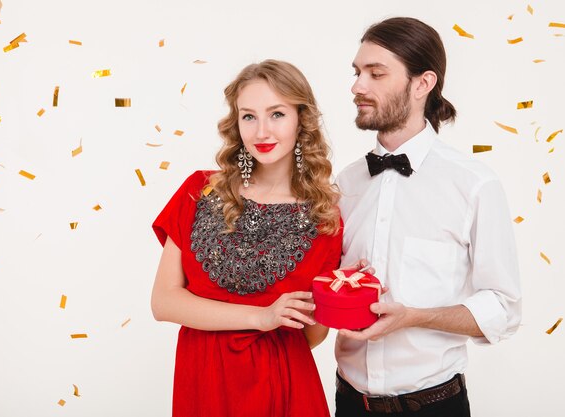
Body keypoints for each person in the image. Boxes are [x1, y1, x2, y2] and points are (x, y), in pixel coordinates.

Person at [334, 17, 522, 416]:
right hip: (348, 402)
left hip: (436, 406)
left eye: (375, 73)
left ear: (422, 84)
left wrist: (414, 317)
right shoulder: (345, 183)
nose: (357, 86)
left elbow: (503, 308)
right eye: (357, 72)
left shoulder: (474, 184)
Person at [151, 59, 343, 417]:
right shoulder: (198, 191)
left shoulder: (325, 218)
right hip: (203, 384)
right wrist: (262, 317)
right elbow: (163, 302)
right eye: (249, 116)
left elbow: (310, 336)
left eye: (277, 114)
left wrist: (340, 296)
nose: (261, 132)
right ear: (236, 123)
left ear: (302, 118)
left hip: (284, 386)